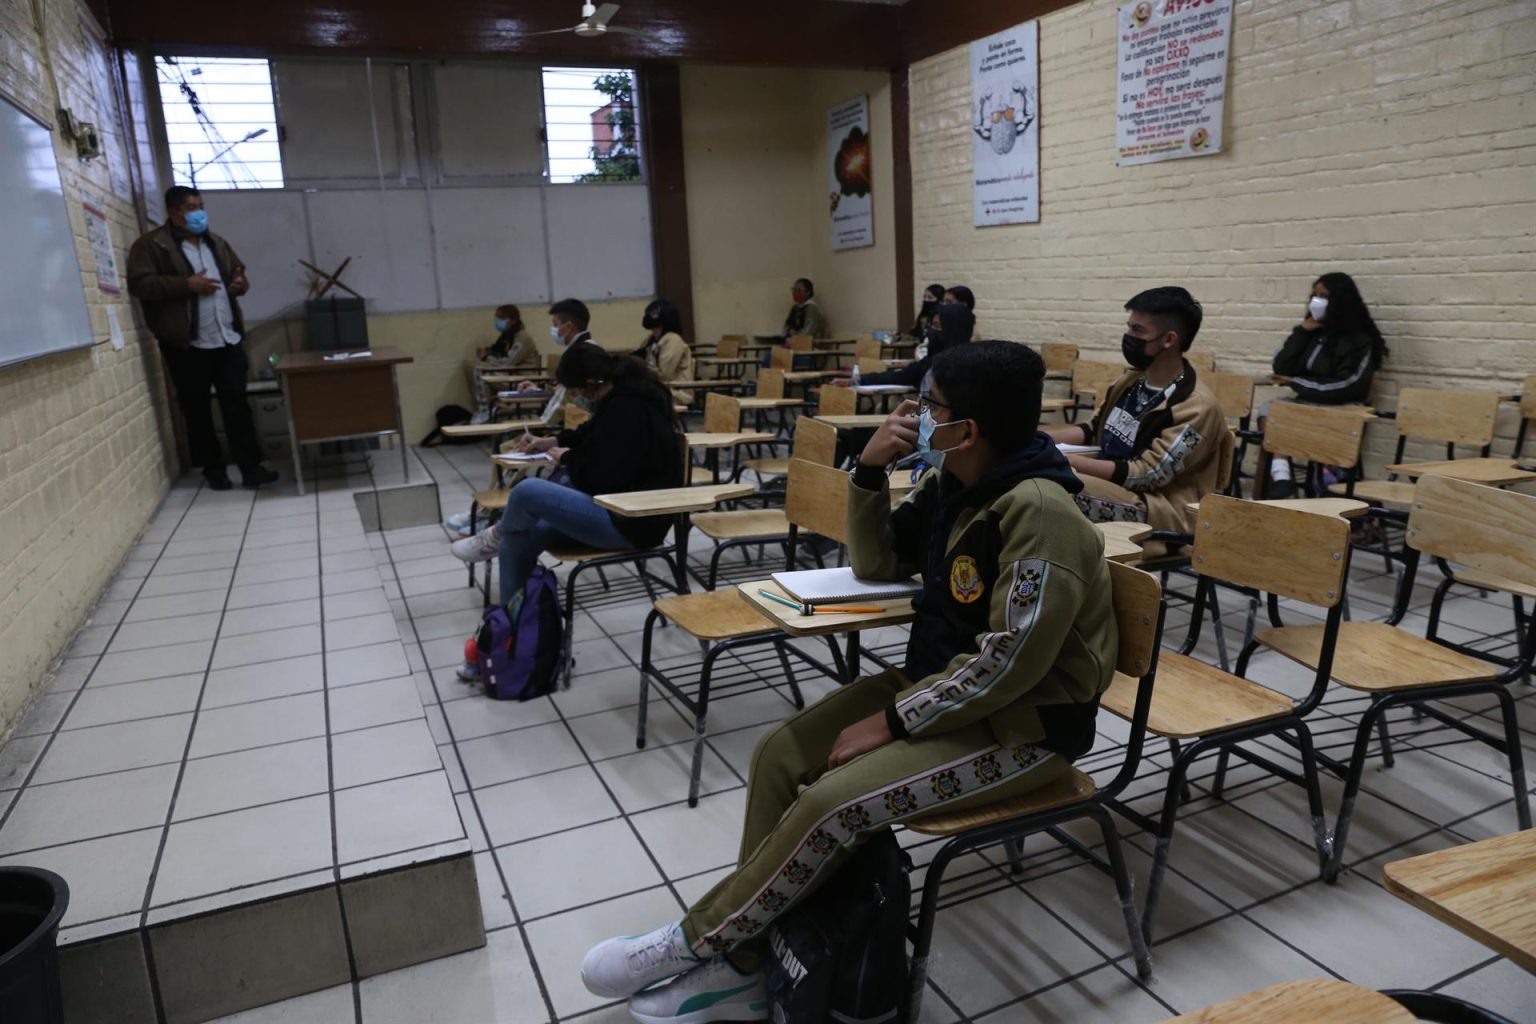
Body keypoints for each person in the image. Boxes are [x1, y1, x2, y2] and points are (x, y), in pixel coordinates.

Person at [578, 341, 1117, 1019]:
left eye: (929, 406)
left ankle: (696, 942)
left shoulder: (1038, 511)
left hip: (1026, 727)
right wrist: (866, 471)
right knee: (780, 755)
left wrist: (890, 722)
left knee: (832, 803)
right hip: (943, 692)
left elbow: (1010, 659)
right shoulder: (957, 480)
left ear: (967, 429)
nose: (913, 415)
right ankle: (748, 964)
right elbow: (876, 560)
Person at [450, 344, 683, 603]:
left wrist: (568, 458)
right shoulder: (621, 396)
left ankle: (495, 534)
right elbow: (591, 432)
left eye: (574, 392)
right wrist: (553, 441)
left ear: (590, 384)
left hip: (632, 522)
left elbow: (605, 475)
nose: (573, 398)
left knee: (528, 490)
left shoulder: (628, 409)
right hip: (612, 505)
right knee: (519, 538)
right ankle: (514, 626)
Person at [125, 186, 278, 491]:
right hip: (185, 343)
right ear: (173, 212)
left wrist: (239, 284)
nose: (199, 213)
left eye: (201, 205)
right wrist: (186, 284)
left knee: (237, 406)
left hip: (227, 337)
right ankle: (214, 470)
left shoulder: (216, 242)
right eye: (191, 208)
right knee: (196, 409)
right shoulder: (151, 245)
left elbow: (239, 274)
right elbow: (140, 285)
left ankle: (251, 468)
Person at [1048, 286, 1230, 533]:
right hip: (1115, 486)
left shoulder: (1196, 406)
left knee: (1050, 485)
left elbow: (1147, 475)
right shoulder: (1130, 381)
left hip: (1159, 511)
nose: (1128, 336)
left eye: (1138, 330)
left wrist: (1062, 459)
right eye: (1129, 327)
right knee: (1028, 469)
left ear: (1169, 340)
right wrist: (1036, 439)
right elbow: (1093, 429)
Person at [1264, 272, 1388, 497]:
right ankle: (1282, 477)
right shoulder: (1313, 332)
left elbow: (1349, 385)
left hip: (1340, 405)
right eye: (1315, 295)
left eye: (1324, 296)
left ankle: (1320, 484)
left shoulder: (1359, 340)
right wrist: (1302, 332)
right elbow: (1282, 367)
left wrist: (1298, 382)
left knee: (1284, 415)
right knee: (1270, 411)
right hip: (1309, 399)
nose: (1317, 301)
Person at [830, 301, 975, 390]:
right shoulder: (931, 362)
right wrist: (856, 380)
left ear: (953, 329)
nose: (931, 331)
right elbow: (898, 376)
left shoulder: (969, 368)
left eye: (938, 326)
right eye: (932, 325)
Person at [513, 298, 601, 425]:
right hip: (557, 427)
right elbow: (565, 393)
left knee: (508, 444)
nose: (553, 329)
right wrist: (539, 390)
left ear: (569, 327)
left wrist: (540, 429)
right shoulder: (584, 350)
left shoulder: (580, 355)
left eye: (555, 324)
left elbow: (567, 405)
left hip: (558, 430)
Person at [633, 299, 694, 407]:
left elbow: (664, 375)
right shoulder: (650, 340)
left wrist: (642, 369)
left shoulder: (673, 341)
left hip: (674, 392)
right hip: (656, 388)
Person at [479, 304, 538, 368]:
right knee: (479, 370)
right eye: (497, 318)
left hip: (522, 375)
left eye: (502, 318)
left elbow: (507, 363)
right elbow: (499, 353)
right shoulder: (506, 336)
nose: (498, 321)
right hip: (510, 373)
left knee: (485, 374)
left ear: (513, 320)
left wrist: (486, 357)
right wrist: (488, 352)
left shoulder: (522, 338)